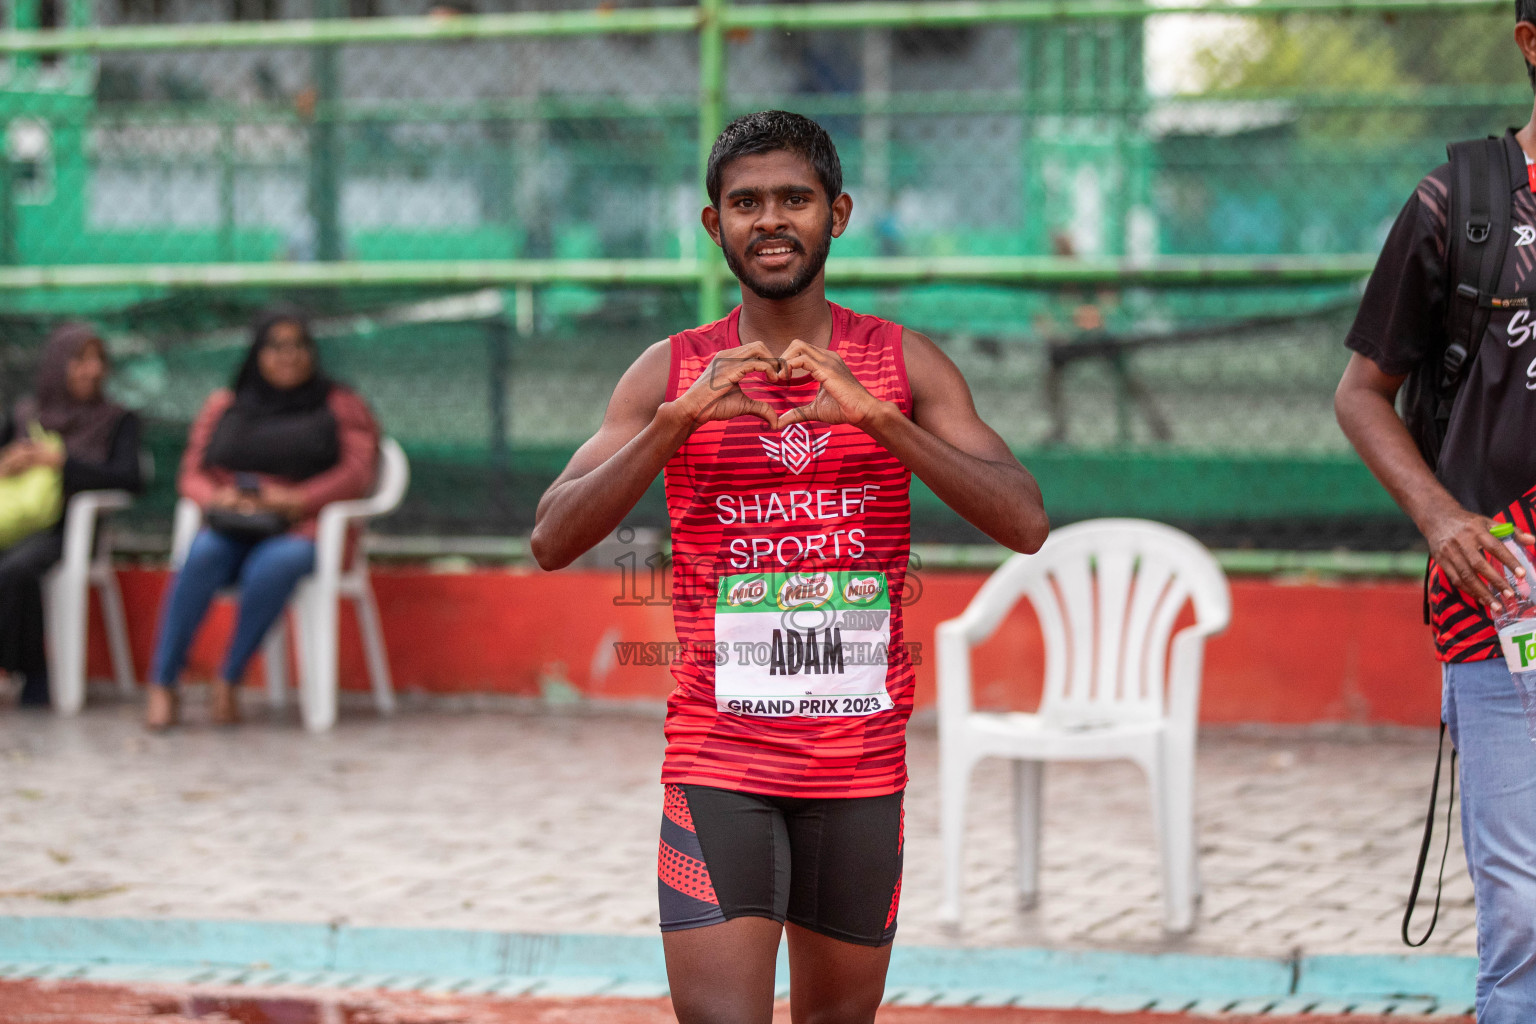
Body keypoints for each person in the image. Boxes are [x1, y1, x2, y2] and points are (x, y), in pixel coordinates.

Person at [532, 111, 1048, 1024]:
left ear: (836, 214)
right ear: (712, 223)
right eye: (746, 203)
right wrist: (673, 424)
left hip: (858, 764)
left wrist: (882, 421)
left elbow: (1025, 521)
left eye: (794, 200)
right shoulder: (670, 372)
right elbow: (552, 537)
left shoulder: (903, 362)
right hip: (718, 754)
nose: (770, 221)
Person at [1335, 9, 1536, 1020]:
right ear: (1531, 44)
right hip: (1501, 603)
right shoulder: (1460, 200)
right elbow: (1361, 392)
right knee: (1526, 910)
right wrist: (1441, 518)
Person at [145, 309, 379, 731]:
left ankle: (229, 678)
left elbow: (359, 470)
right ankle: (163, 683)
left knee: (272, 565)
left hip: (304, 528)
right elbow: (191, 473)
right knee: (200, 555)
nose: (288, 356)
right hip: (233, 523)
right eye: (275, 346)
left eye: (298, 346)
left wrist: (298, 499)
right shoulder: (225, 404)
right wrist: (220, 497)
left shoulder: (339, 404)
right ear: (257, 354)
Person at [0, 323, 143, 707]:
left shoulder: (118, 419)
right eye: (81, 359)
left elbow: (130, 478)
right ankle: (28, 671)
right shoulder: (26, 415)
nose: (92, 369)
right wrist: (10, 463)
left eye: (99, 359)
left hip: (72, 531)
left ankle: (27, 673)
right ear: (56, 365)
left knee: (17, 569)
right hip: (13, 523)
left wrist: (62, 463)